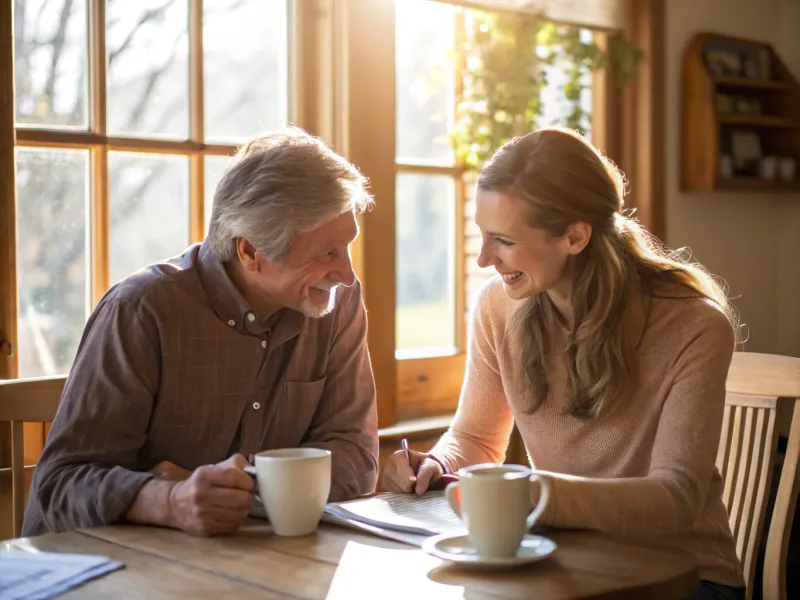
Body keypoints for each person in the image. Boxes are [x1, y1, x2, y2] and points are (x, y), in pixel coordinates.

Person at [380, 128, 745, 600]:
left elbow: (676, 498)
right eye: (481, 236)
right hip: (559, 562)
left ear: (575, 236)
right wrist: (435, 464)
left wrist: (537, 495)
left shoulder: (694, 325)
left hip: (684, 577)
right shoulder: (499, 307)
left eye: (503, 240)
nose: (486, 258)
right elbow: (474, 438)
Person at [23, 129, 379, 537]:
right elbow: (59, 485)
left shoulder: (335, 302)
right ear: (249, 252)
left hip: (242, 560)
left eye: (347, 245)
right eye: (326, 253)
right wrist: (167, 500)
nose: (347, 274)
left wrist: (245, 488)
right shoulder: (141, 311)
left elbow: (356, 455)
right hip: (96, 571)